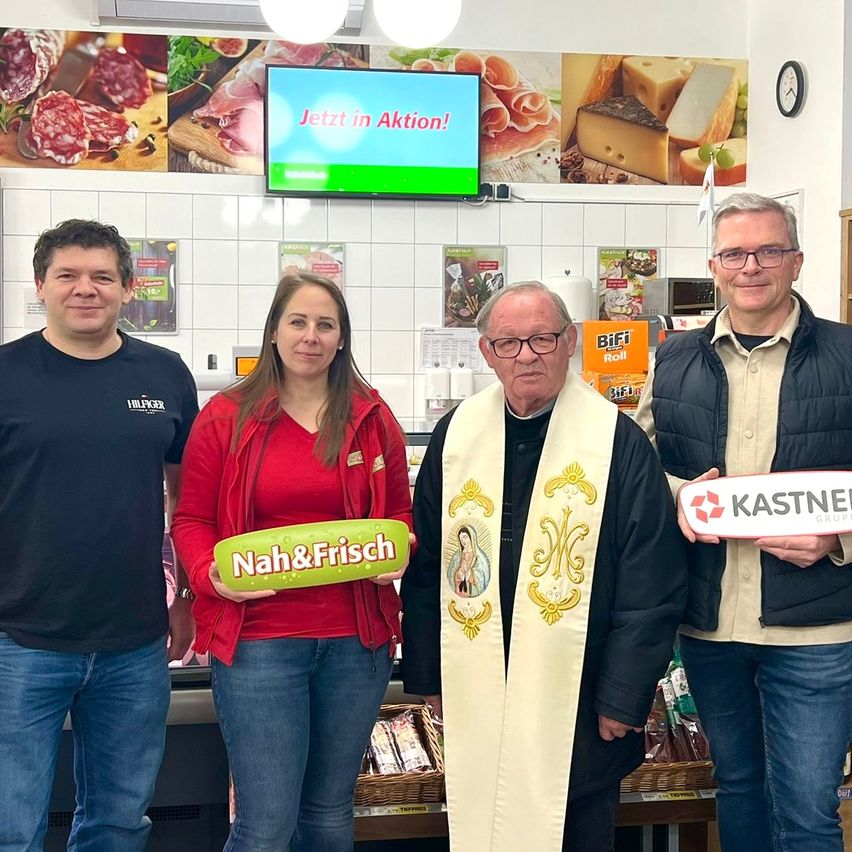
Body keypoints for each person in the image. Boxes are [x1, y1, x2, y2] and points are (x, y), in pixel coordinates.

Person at [401, 281, 687, 852]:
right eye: (509, 342)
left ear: (571, 342)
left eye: (542, 338)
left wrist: (623, 695)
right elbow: (430, 562)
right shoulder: (456, 434)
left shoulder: (617, 441)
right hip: (480, 683)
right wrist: (431, 675)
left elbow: (651, 581)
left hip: (582, 699)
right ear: (486, 352)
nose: (527, 355)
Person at [635, 192, 852, 852]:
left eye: (768, 250)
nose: (751, 266)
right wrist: (678, 496)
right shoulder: (673, 358)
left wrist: (837, 535)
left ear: (796, 261)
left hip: (817, 631)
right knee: (737, 790)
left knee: (809, 809)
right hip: (710, 623)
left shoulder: (847, 355)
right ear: (714, 264)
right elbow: (641, 464)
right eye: (735, 253)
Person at [171, 272, 414, 851]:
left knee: (330, 814)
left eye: (325, 325)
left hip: (357, 645)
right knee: (266, 824)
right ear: (274, 332)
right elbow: (191, 520)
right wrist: (209, 575)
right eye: (298, 322)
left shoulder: (371, 417)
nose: (311, 336)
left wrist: (401, 549)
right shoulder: (225, 417)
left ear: (341, 338)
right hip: (259, 642)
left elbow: (401, 517)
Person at [0, 219, 198, 850]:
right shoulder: (7, 373)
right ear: (41, 285)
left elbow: (184, 495)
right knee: (12, 827)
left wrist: (186, 597)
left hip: (135, 641)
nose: (85, 289)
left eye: (102, 276)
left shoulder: (165, 374)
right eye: (68, 275)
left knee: (118, 822)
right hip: (19, 640)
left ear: (127, 287)